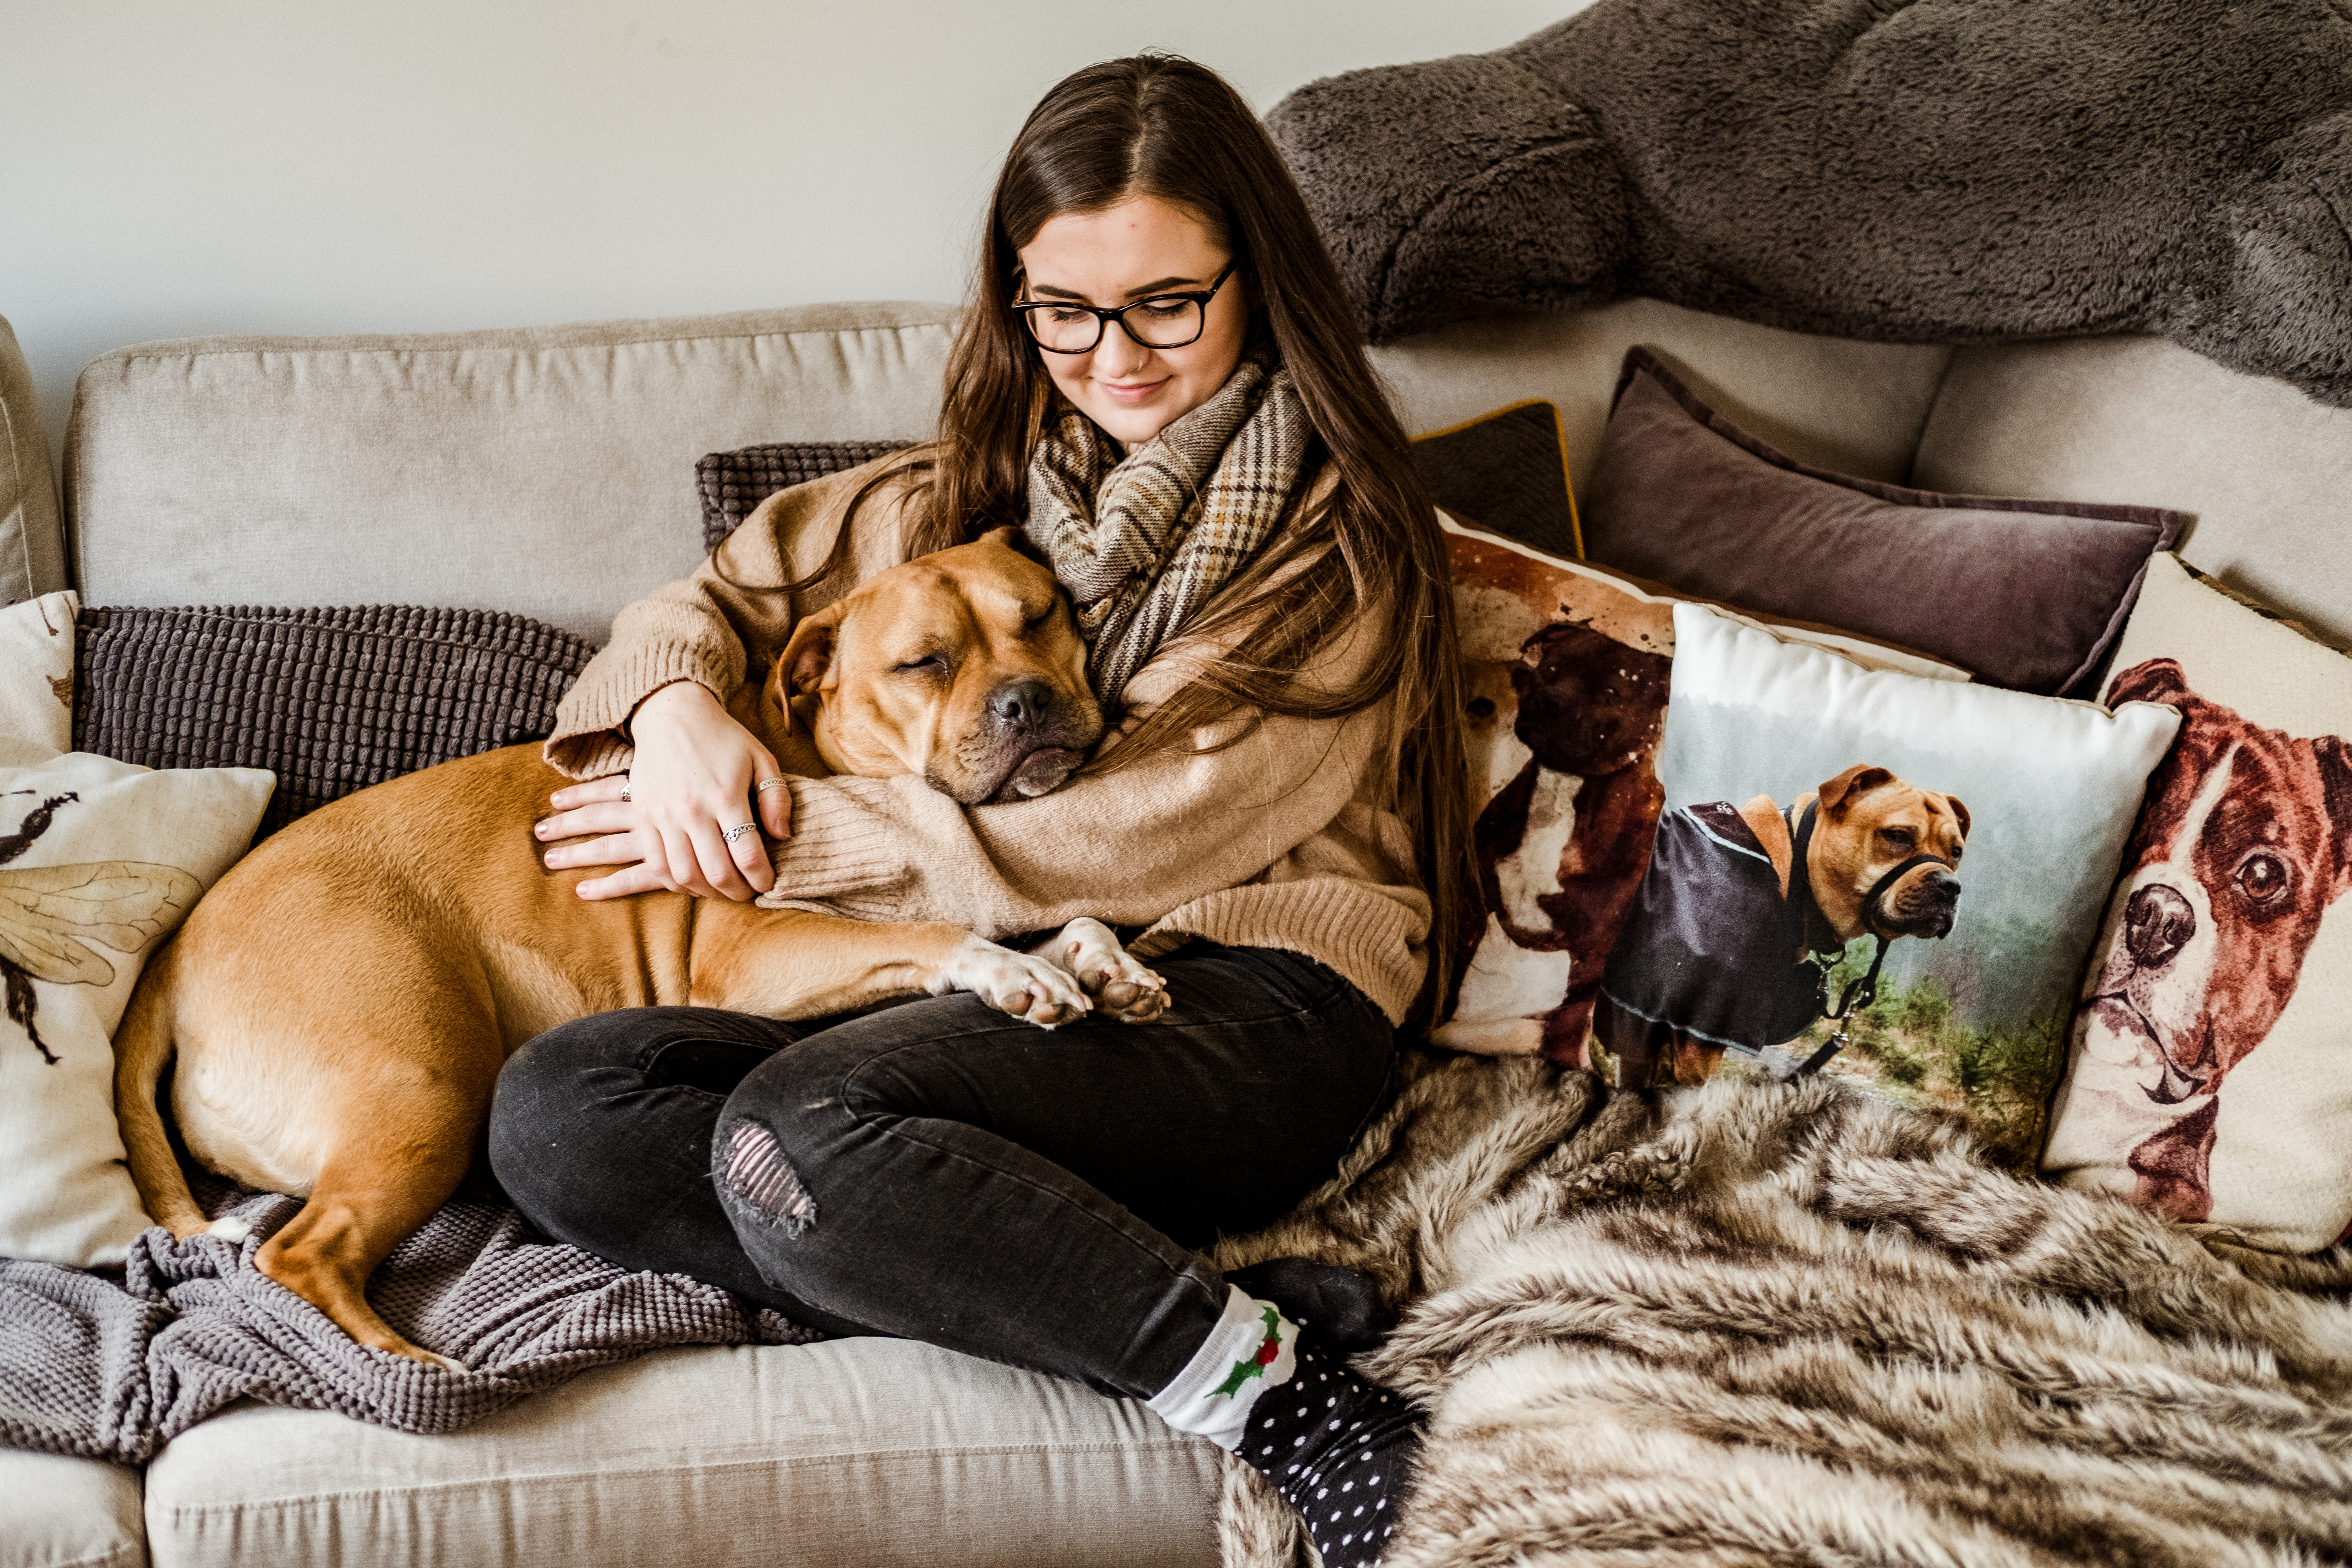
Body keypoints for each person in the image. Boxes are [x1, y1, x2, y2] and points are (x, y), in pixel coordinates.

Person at [488, 54, 1466, 1568]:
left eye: (1165, 304)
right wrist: (675, 712)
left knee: (799, 1135)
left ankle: (1302, 1411)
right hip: (1014, 1006)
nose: (1112, 356)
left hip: (1251, 995)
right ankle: (1123, 1296)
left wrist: (789, 841)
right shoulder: (935, 503)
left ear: (1255, 280)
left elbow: (1150, 834)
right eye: (1063, 309)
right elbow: (707, 602)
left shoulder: (1344, 548)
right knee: (559, 1111)